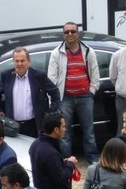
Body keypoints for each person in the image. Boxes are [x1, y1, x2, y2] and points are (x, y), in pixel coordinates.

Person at [47, 22, 100, 161]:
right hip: (65, 98)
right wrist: (55, 97)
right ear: (63, 34)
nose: (70, 34)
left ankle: (93, 160)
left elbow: (95, 75)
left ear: (78, 33)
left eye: (72, 31)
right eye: (67, 32)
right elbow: (51, 78)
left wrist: (91, 91)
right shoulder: (56, 53)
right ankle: (66, 160)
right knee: (64, 133)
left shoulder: (88, 52)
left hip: (85, 97)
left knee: (89, 131)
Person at [0, 47, 61, 138]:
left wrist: (50, 112)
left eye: (22, 61)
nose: (19, 64)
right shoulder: (6, 76)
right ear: (13, 62)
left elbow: (55, 93)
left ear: (29, 61)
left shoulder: (39, 76)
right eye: (17, 61)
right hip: (12, 126)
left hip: (34, 126)